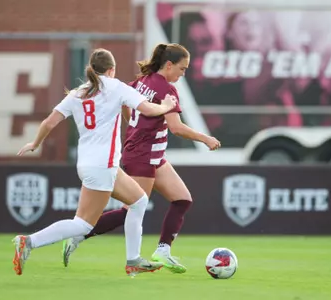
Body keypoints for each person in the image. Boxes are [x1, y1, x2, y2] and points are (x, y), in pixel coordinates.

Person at [12, 48, 178, 277]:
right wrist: (167, 106)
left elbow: (49, 123)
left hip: (91, 164)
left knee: (139, 201)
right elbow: (148, 109)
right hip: (103, 165)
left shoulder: (78, 93)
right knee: (83, 225)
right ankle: (27, 241)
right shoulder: (116, 86)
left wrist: (35, 143)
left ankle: (133, 260)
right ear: (111, 70)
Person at [62, 43, 221, 274]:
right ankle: (79, 234)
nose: (183, 73)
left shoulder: (141, 81)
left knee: (182, 200)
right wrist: (205, 138)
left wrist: (134, 125)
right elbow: (175, 127)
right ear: (168, 65)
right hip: (143, 155)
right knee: (132, 209)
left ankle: (163, 251)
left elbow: (126, 104)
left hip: (151, 153)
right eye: (182, 68)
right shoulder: (167, 90)